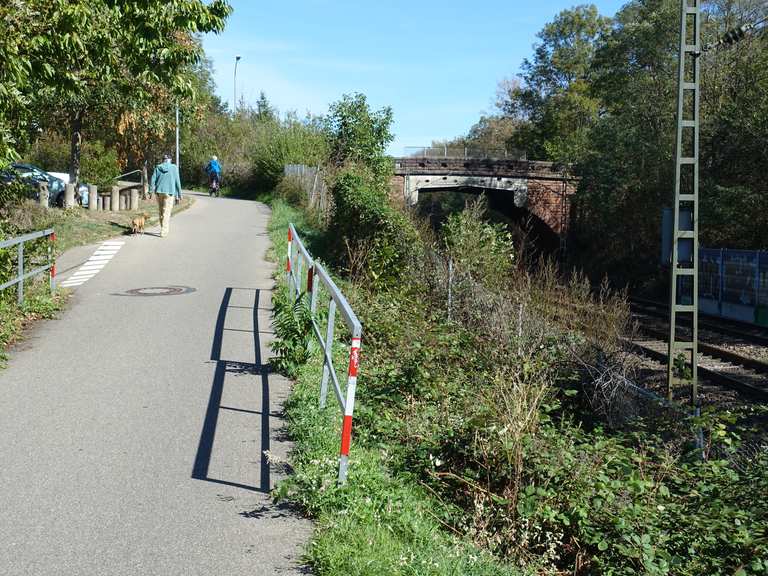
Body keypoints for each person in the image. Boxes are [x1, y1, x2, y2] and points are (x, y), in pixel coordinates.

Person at [149, 154, 182, 237]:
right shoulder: (174, 168)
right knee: (166, 212)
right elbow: (177, 182)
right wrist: (179, 194)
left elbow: (153, 179)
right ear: (170, 160)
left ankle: (163, 228)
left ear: (163, 159)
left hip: (159, 192)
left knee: (161, 211)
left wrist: (150, 191)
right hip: (169, 193)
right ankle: (164, 232)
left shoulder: (158, 167)